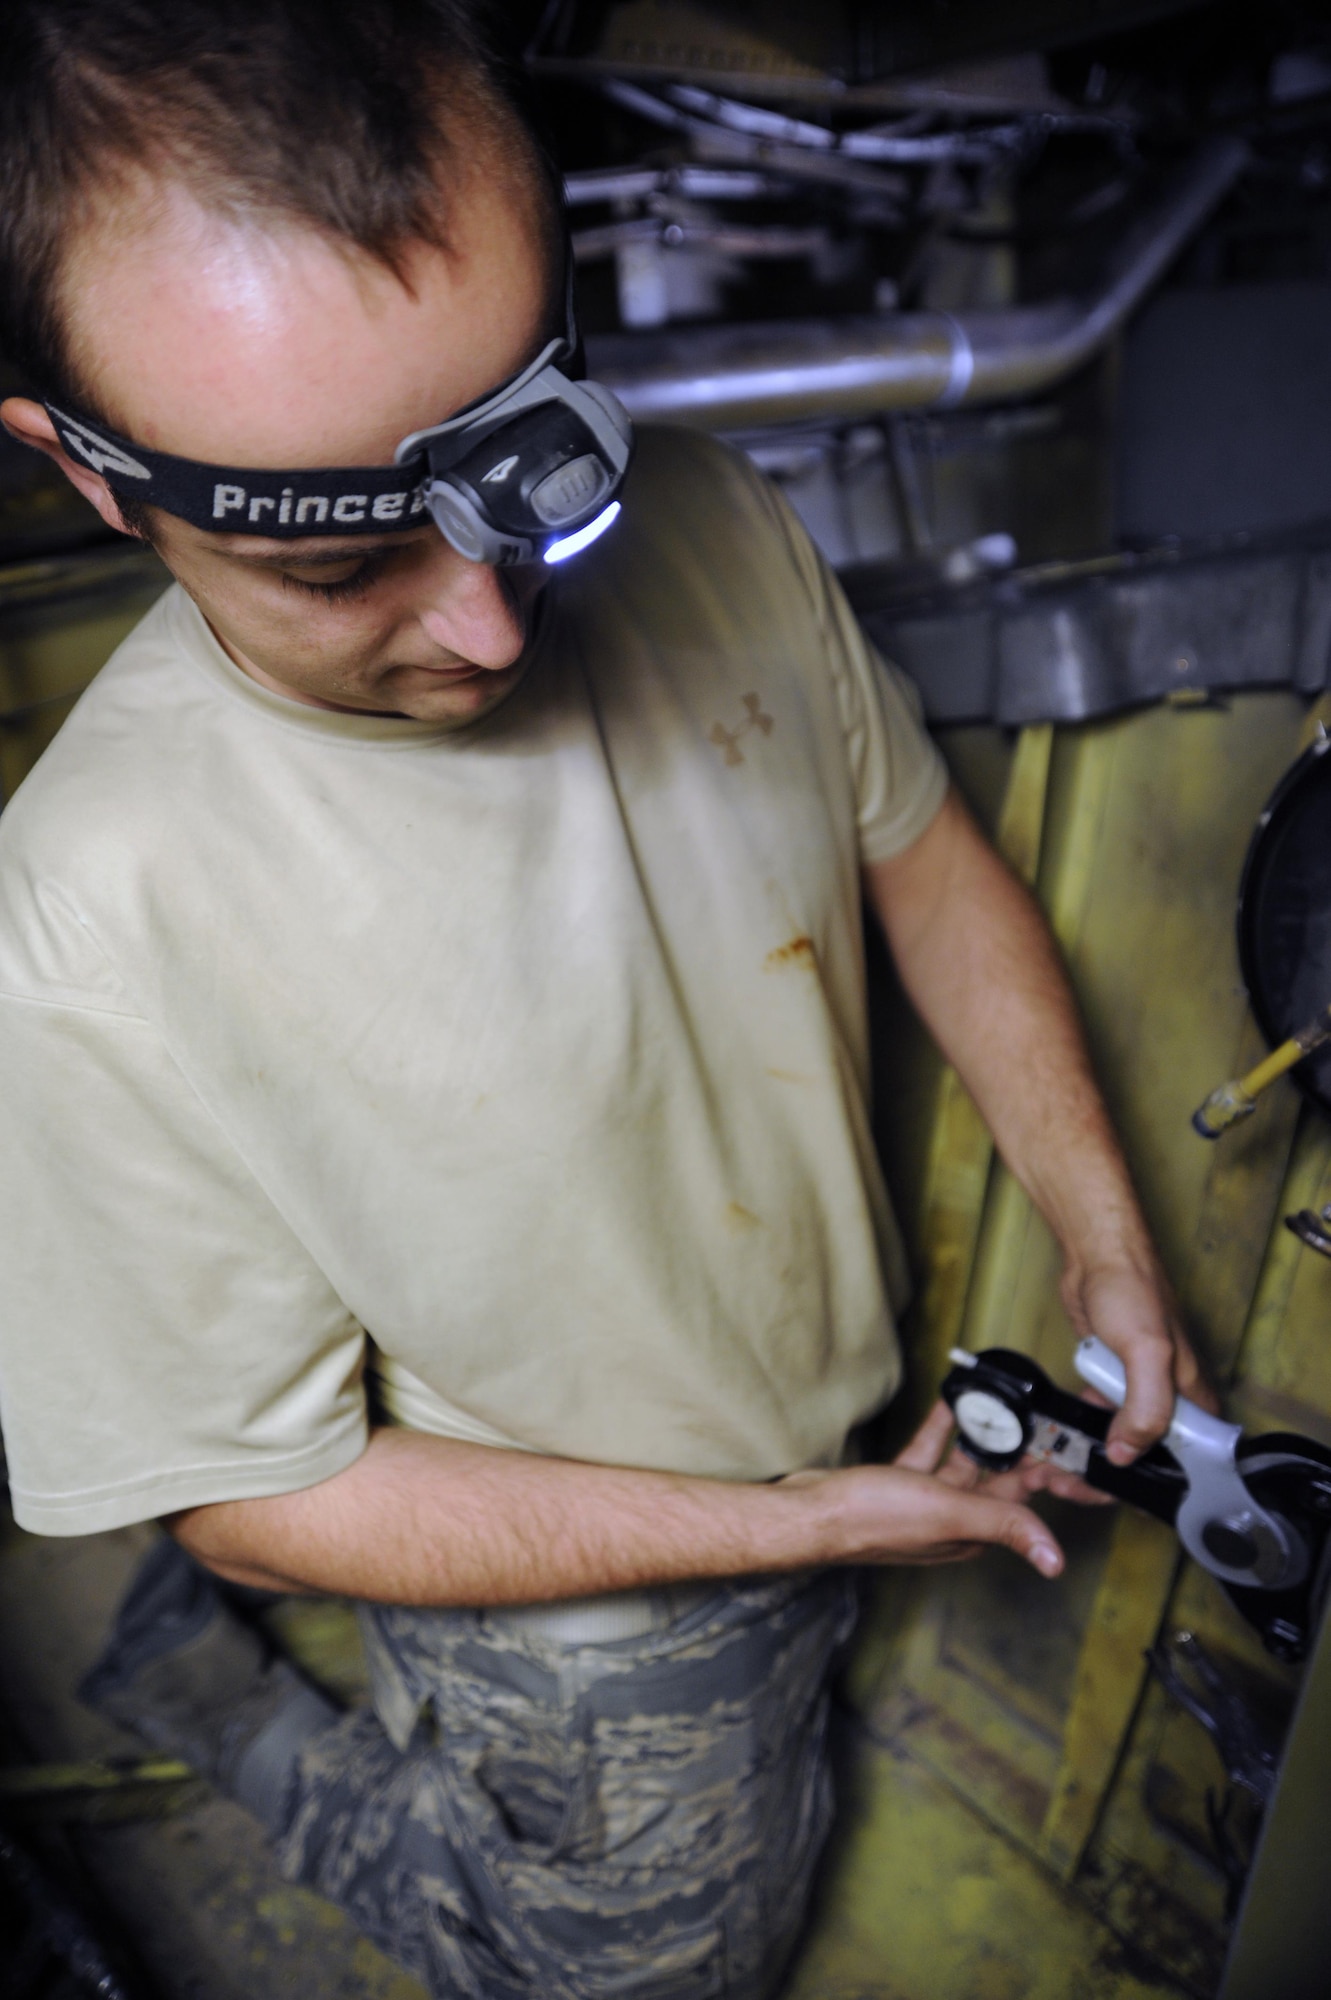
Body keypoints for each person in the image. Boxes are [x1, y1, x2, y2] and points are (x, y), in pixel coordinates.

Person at [0, 3, 1207, 1995]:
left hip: (830, 1435)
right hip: (584, 1619)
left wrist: (1097, 1222)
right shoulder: (80, 916)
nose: (487, 619)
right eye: (346, 566)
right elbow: (250, 1494)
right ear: (93, 478)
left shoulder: (718, 519)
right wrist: (810, 1529)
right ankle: (206, 1706)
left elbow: (916, 846)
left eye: (524, 473)